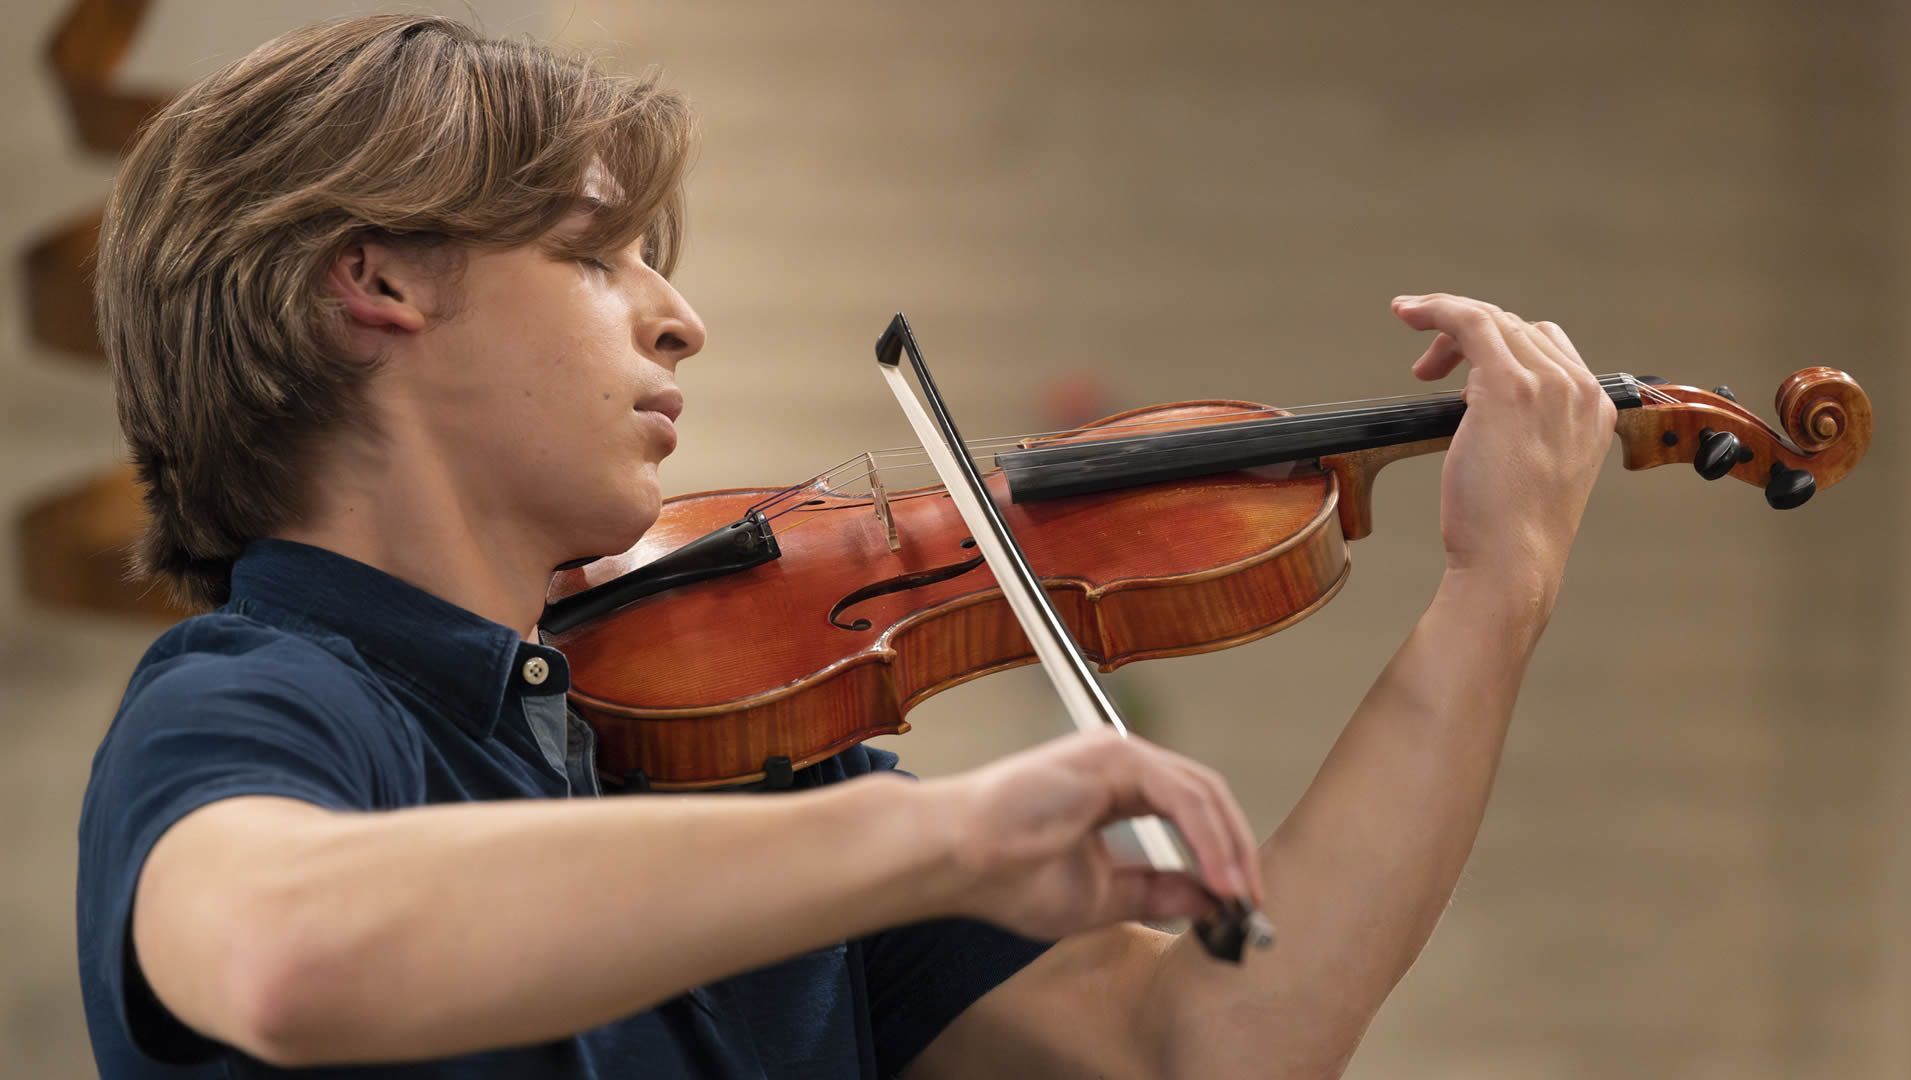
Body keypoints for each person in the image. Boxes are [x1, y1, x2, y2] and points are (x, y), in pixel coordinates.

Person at [75, 13, 1619, 1079]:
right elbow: (279, 948)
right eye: (595, 255)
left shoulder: (740, 762)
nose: (679, 315)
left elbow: (1208, 1047)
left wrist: (1495, 596)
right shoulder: (259, 704)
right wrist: (932, 841)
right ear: (381, 285)